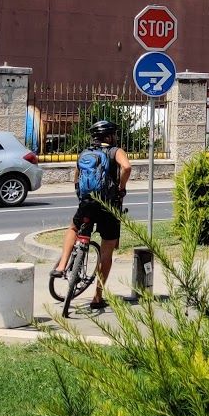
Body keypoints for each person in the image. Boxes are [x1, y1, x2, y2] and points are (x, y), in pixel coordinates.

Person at [55, 119, 132, 311]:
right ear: (110, 135)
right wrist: (121, 188)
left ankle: (62, 265)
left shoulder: (86, 153)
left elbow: (77, 176)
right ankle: (97, 297)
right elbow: (127, 168)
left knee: (74, 227)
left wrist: (81, 195)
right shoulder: (116, 151)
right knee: (107, 250)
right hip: (108, 205)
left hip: (87, 203)